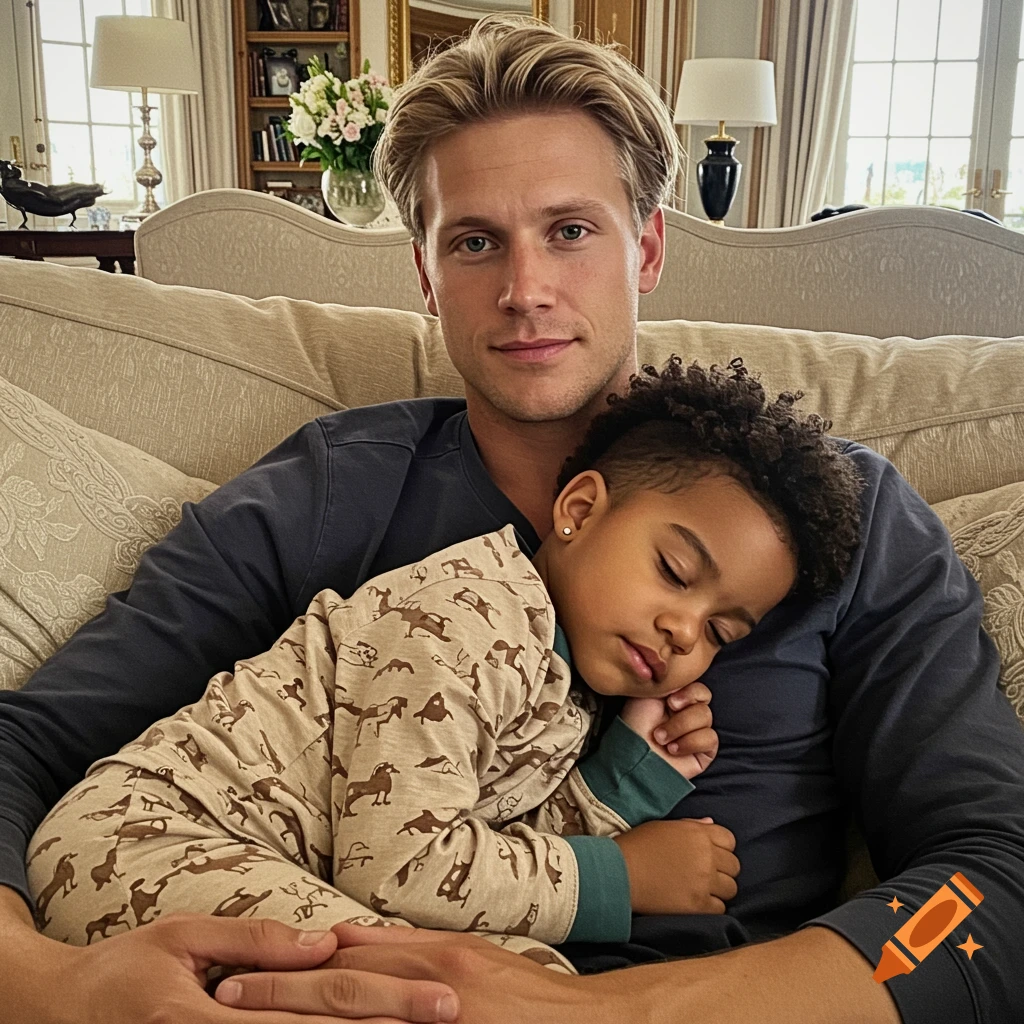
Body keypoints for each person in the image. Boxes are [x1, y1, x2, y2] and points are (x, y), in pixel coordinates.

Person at [0, 13, 1022, 1024]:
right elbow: (26, 747)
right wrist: (46, 985)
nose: (525, 290)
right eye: (476, 241)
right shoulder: (326, 495)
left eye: (571, 230)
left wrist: (619, 1014)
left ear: (649, 245)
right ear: (425, 275)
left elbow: (991, 891)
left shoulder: (834, 518)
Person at [24, 358, 863, 972]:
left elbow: (483, 859)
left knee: (520, 976)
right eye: (676, 574)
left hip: (278, 869)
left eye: (723, 630)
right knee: (485, 982)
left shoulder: (566, 682)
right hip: (146, 842)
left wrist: (619, 789)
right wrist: (621, 876)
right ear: (579, 511)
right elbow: (402, 869)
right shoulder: (462, 614)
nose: (686, 633)